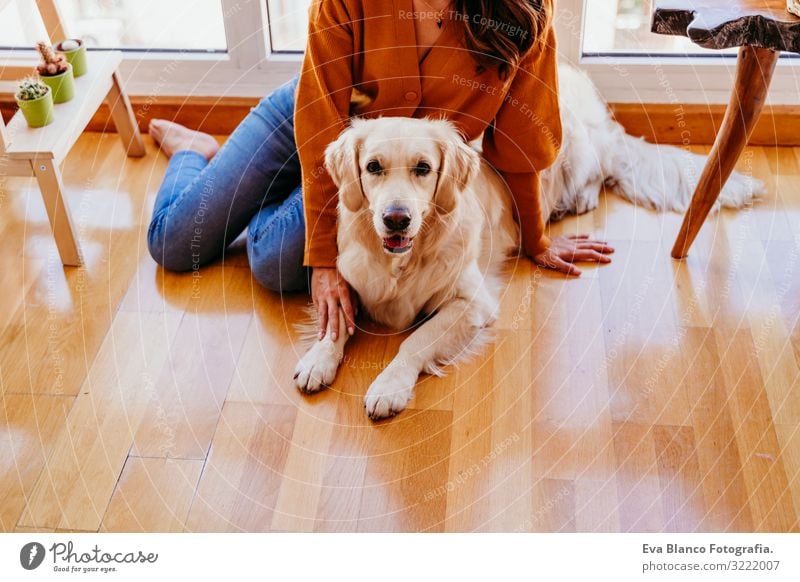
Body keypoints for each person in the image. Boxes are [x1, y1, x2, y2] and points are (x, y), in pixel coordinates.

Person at [147, 0, 614, 341]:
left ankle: (262, 189)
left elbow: (521, 145)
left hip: (382, 177)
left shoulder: (522, 12)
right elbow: (319, 129)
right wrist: (326, 262)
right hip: (314, 120)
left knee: (271, 260)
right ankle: (196, 151)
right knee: (172, 241)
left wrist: (537, 240)